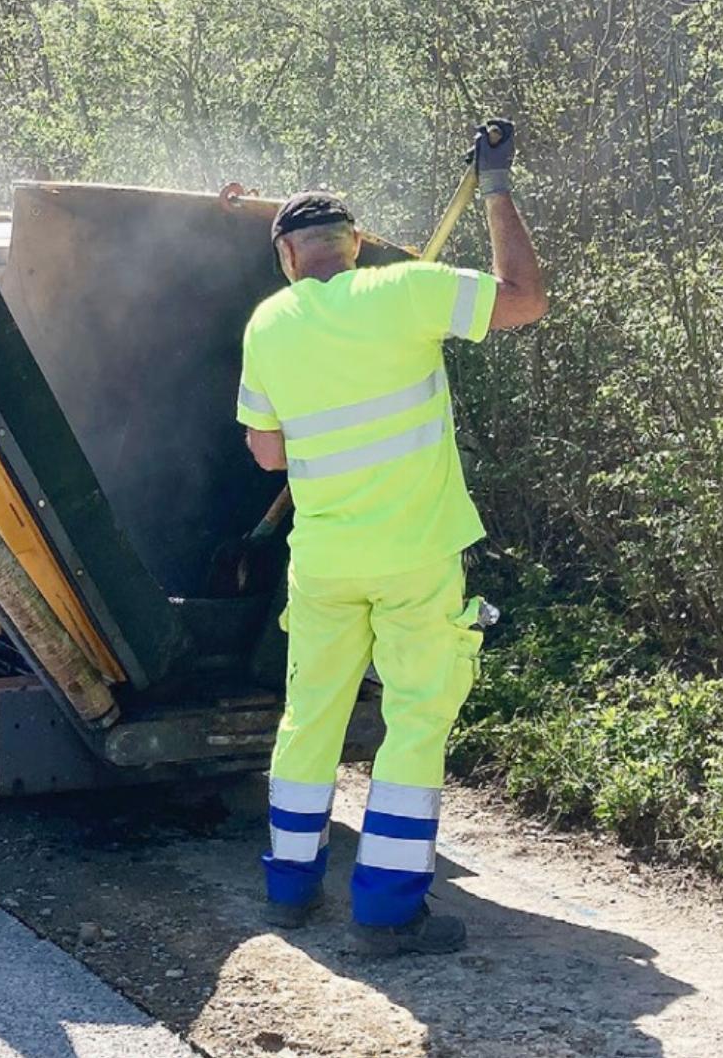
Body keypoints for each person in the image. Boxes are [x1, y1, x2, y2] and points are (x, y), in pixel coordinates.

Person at [235, 119, 547, 956]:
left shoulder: (268, 323)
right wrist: (496, 189)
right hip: (414, 557)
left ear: (287, 256)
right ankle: (385, 910)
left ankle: (290, 888)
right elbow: (525, 298)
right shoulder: (404, 292)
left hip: (326, 561)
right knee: (412, 721)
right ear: (358, 244)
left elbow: (267, 453)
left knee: (309, 719)